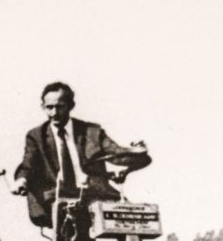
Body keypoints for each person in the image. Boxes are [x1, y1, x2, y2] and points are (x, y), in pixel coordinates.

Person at [12, 82, 143, 228]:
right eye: (49, 107)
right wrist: (21, 181)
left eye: (59, 107)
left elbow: (117, 153)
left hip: (93, 193)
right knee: (71, 224)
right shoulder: (36, 136)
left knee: (132, 219)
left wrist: (134, 152)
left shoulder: (92, 132)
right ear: (43, 107)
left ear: (70, 106)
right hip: (56, 197)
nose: (54, 113)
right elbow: (28, 165)